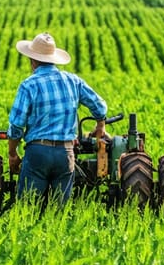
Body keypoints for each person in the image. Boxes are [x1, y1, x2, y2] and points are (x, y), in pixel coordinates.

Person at [7, 32, 108, 206]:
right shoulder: (73, 81)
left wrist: (12, 153)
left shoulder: (28, 85)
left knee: (27, 211)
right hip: (66, 154)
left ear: (32, 61)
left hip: (37, 152)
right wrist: (100, 125)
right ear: (53, 59)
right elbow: (99, 106)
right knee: (58, 213)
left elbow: (16, 124)